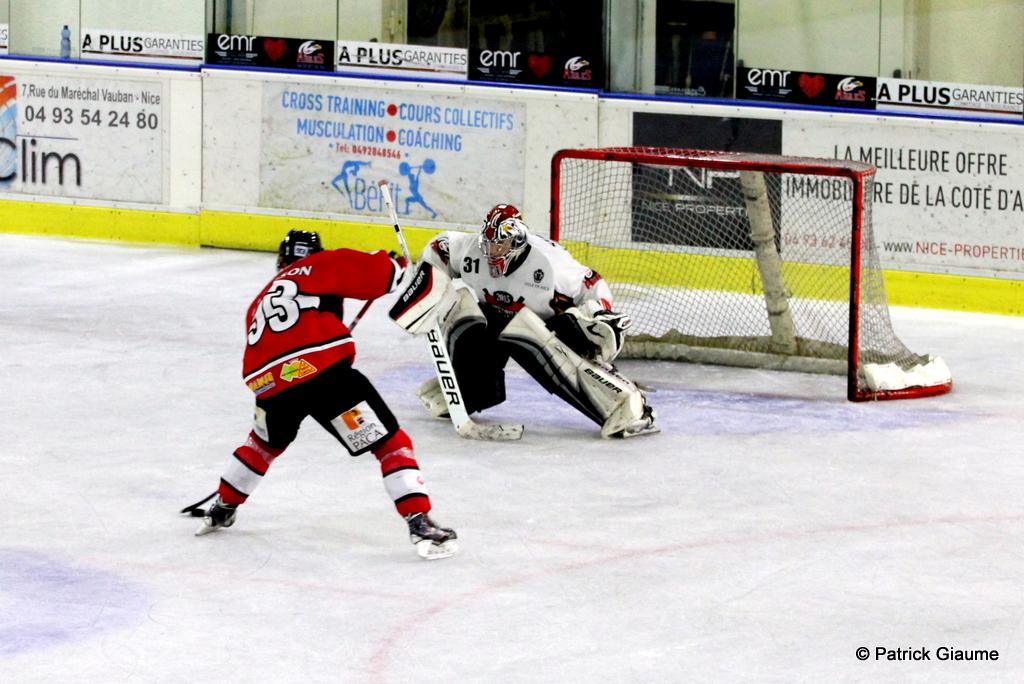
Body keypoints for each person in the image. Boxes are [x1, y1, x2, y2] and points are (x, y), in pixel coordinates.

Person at [183, 230, 458, 560]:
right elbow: (381, 276)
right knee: (390, 444)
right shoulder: (318, 264)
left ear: (281, 261)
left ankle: (223, 506)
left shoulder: (260, 299)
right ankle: (419, 521)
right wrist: (394, 264)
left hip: (270, 385)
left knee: (263, 444)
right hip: (321, 375)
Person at [399, 204, 657, 438]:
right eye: (488, 244)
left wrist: (598, 313)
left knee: (528, 334)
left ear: (517, 242)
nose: (491, 252)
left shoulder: (549, 263)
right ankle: (468, 392)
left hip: (548, 325)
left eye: (499, 245)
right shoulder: (471, 250)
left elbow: (591, 282)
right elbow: (439, 248)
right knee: (464, 311)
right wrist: (425, 282)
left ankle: (626, 404)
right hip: (497, 317)